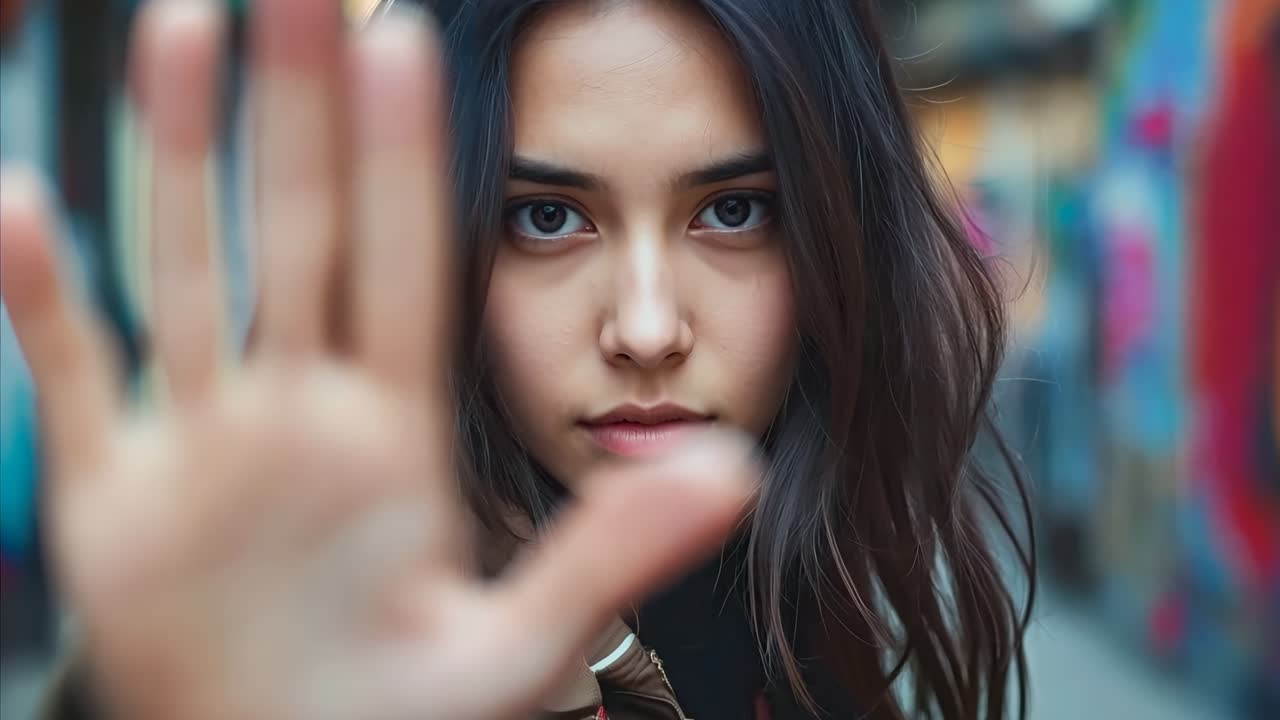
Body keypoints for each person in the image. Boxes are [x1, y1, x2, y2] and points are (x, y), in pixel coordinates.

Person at [0, 0, 1035, 718]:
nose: (644, 327)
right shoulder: (348, 655)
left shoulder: (818, 638)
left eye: (731, 210)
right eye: (546, 217)